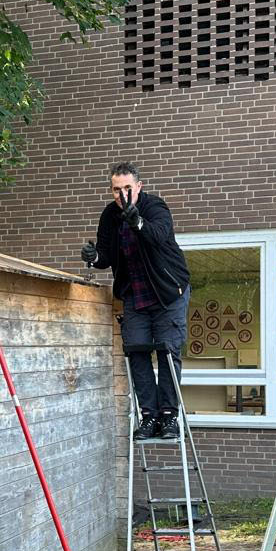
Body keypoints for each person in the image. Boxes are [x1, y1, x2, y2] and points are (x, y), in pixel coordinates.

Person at [79, 163, 191, 440]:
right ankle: (149, 416)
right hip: (134, 295)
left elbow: (158, 235)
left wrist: (137, 221)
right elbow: (106, 256)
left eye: (127, 188)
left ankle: (168, 417)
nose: (122, 195)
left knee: (167, 354)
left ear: (139, 187)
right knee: (136, 354)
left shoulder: (155, 207)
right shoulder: (109, 216)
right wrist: (94, 257)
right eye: (117, 190)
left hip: (167, 293)